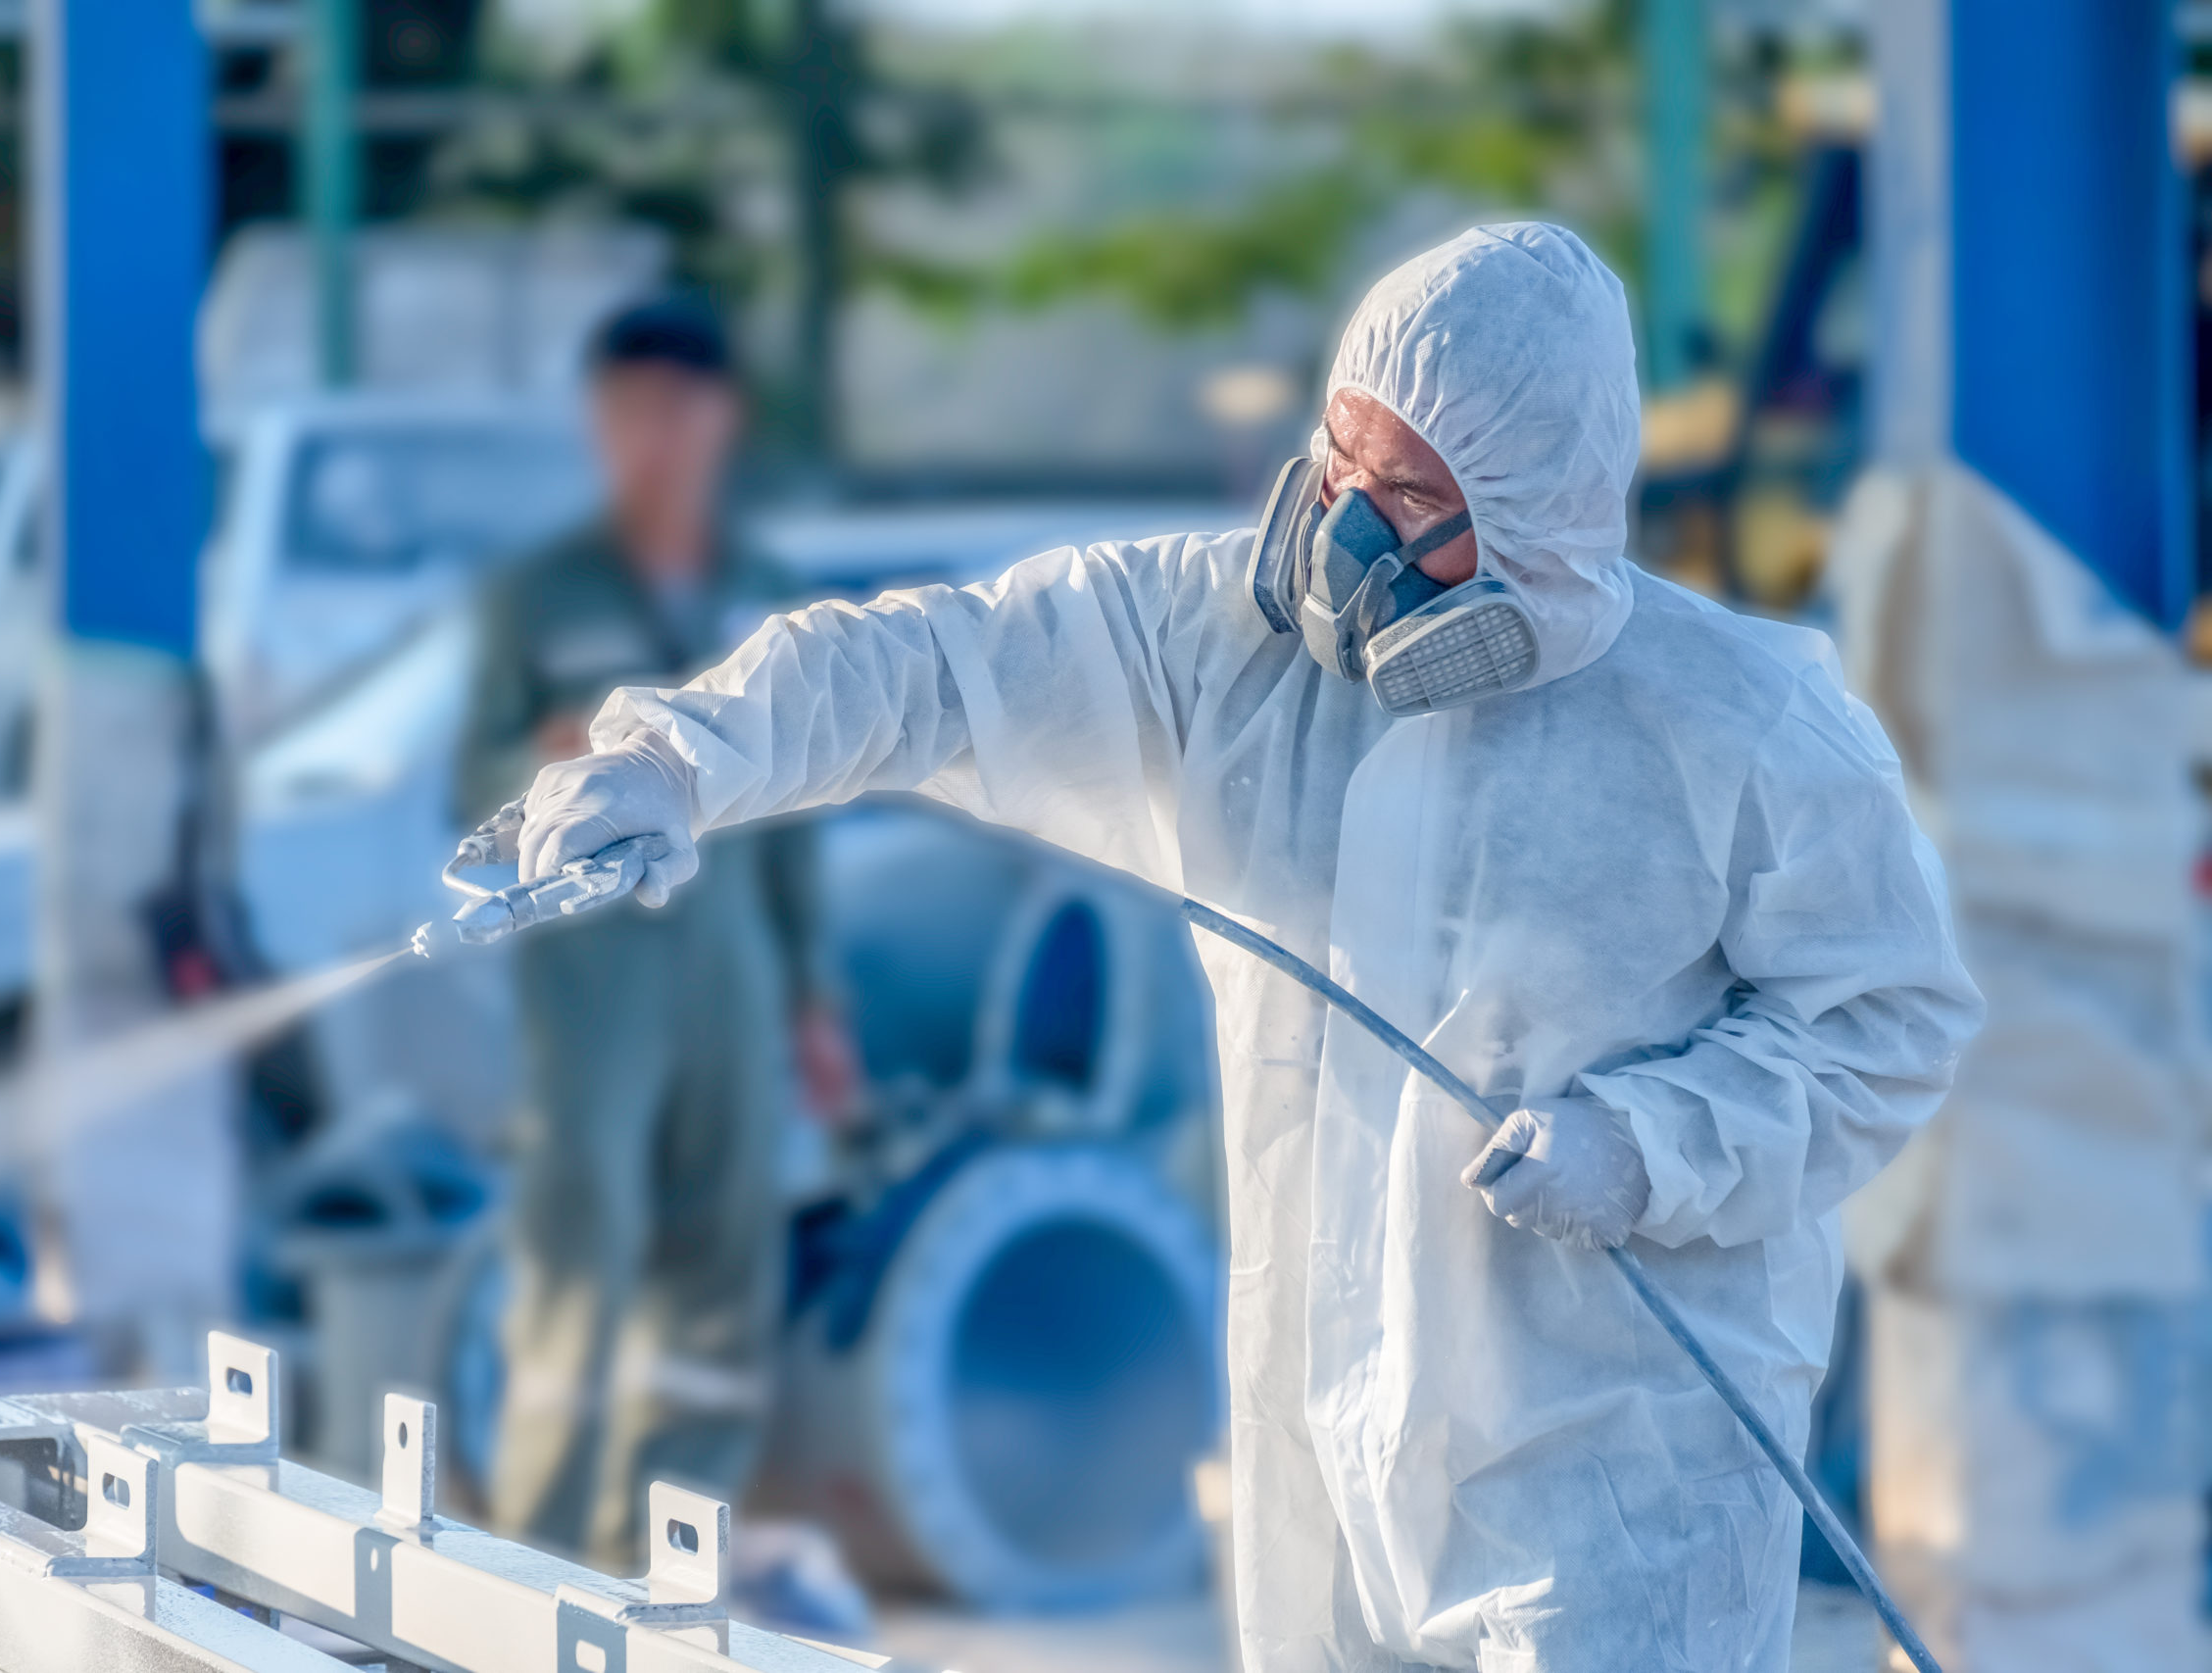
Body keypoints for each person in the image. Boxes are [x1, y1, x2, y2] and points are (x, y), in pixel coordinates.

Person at [508, 225, 1982, 1672]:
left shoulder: (1744, 726)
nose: (1345, 529)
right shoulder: (1219, 643)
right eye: (1341, 459)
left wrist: (1645, 1144)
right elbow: (934, 664)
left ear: (1535, 513)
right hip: (1324, 1456)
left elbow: (1884, 1022)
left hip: (1611, 1490)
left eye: (1407, 494)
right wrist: (681, 760)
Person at [456, 293, 857, 1565]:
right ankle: (534, 1562)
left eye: (676, 412)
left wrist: (812, 1004)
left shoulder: (766, 598)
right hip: (591, 982)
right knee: (579, 1259)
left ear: (722, 420)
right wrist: (540, 763)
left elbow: (798, 818)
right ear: (596, 425)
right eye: (626, 413)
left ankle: (670, 1563)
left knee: (721, 1268)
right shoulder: (537, 599)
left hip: (730, 966)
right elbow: (466, 781)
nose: (653, 440)